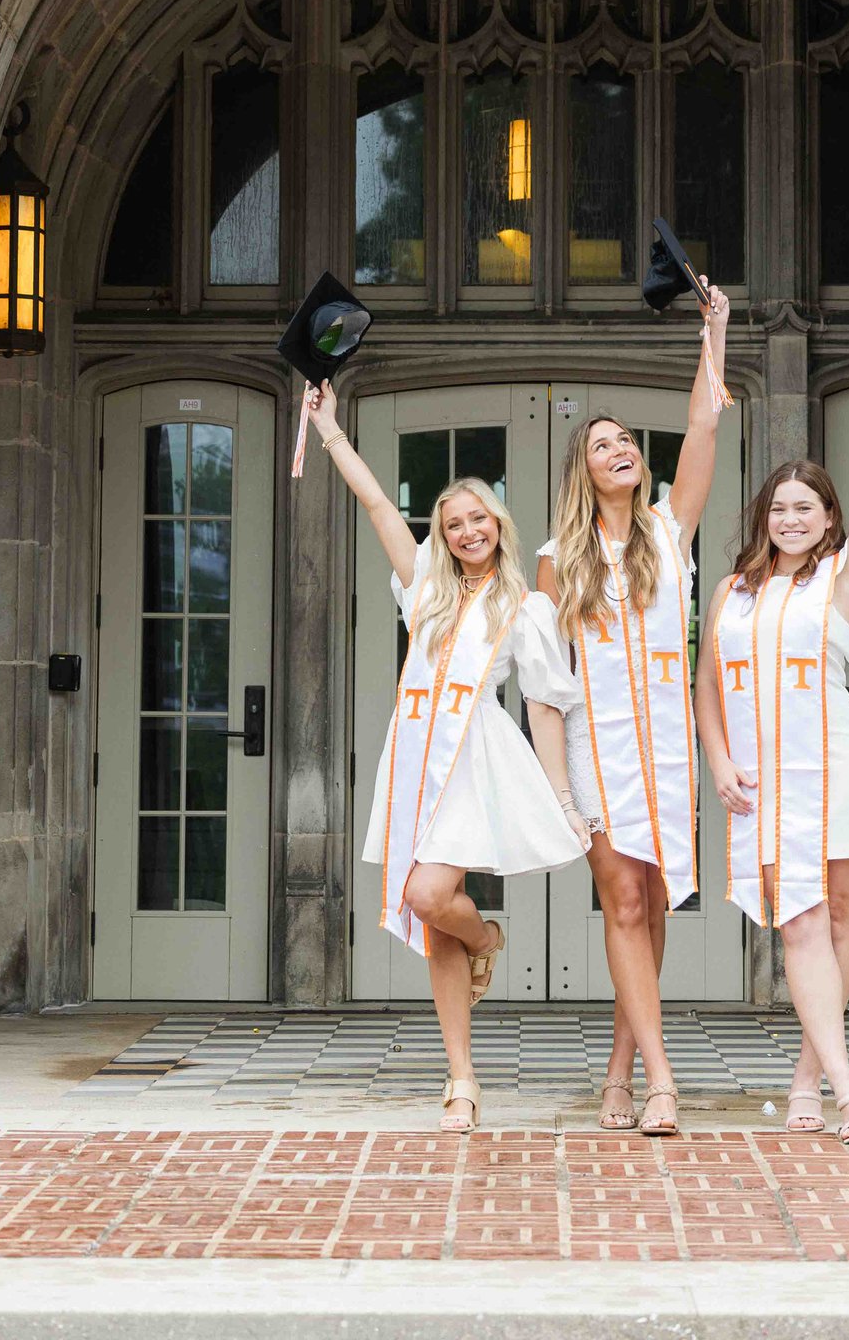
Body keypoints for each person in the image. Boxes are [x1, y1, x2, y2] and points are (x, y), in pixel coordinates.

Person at [306, 379, 589, 1134]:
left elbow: (544, 704)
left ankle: (485, 936)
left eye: (478, 519)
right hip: (413, 753)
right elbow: (374, 506)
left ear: (498, 523)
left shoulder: (526, 609)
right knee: (428, 917)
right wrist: (331, 432)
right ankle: (460, 1077)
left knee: (431, 898)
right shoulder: (423, 587)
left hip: (472, 758)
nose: (467, 532)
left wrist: (563, 799)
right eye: (453, 522)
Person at [694, 353, 849, 1144]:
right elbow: (706, 686)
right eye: (779, 509)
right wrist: (718, 759)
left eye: (806, 509)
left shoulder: (841, 579)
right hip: (762, 780)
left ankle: (811, 1075)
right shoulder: (731, 592)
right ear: (763, 517)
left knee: (833, 918)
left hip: (831, 766)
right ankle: (847, 1083)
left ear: (827, 521)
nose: (791, 519)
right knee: (797, 922)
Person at [537, 285, 731, 1136]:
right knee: (620, 901)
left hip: (667, 748)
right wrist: (562, 793)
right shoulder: (553, 562)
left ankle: (617, 1071)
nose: (617, 450)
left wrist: (713, 334)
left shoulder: (666, 532)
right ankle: (660, 1079)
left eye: (623, 441)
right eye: (600, 444)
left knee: (651, 908)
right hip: (597, 748)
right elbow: (546, 681)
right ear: (582, 470)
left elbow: (704, 429)